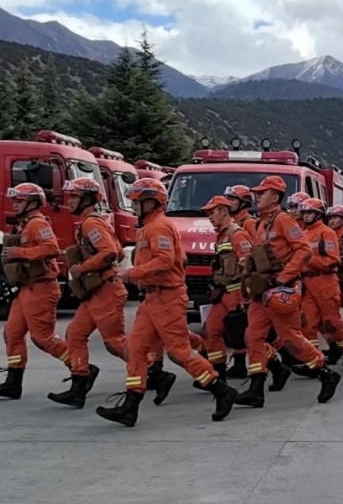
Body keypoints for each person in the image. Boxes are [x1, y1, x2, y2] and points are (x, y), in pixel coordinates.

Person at [95, 178, 237, 427]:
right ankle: (130, 406)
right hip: (153, 297)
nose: (133, 206)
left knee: (179, 351)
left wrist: (132, 274)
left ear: (150, 203)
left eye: (136, 202)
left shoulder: (158, 226)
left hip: (167, 297)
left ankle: (221, 390)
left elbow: (165, 260)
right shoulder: (150, 227)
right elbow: (177, 259)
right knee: (136, 349)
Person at [234, 175, 341, 408]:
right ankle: (256, 388)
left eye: (262, 193)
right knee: (253, 336)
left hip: (281, 289)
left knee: (290, 337)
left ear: (275, 197)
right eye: (257, 192)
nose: (257, 196)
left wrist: (283, 277)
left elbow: (303, 250)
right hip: (262, 290)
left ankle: (325, 373)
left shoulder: (283, 220)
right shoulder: (261, 222)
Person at [0, 183, 71, 399]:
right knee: (12, 333)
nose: (14, 205)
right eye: (15, 201)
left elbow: (51, 248)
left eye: (19, 201)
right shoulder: (25, 224)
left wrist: (19, 253)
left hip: (41, 287)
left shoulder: (38, 223)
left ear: (32, 203)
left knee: (42, 338)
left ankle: (80, 368)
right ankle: (13, 382)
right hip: (26, 288)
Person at [48, 178, 127, 408]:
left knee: (114, 342)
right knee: (75, 334)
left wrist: (82, 268)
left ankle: (153, 371)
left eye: (74, 197)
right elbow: (119, 252)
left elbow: (110, 253)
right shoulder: (93, 222)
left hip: (106, 290)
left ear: (87, 199)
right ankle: (78, 386)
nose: (70, 201)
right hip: (97, 291)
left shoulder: (91, 223)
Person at [297, 198, 343, 375]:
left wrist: (309, 260)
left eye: (309, 213)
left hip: (325, 281)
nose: (306, 216)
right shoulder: (303, 233)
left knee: (331, 322)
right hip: (307, 283)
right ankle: (314, 362)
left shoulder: (326, 233)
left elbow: (333, 260)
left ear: (318, 215)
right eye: (304, 213)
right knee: (307, 323)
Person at [198, 195, 259, 381]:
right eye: (208, 214)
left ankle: (275, 366)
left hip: (236, 294)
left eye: (212, 212)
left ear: (224, 212)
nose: (209, 217)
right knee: (211, 330)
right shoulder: (221, 235)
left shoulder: (237, 234)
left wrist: (245, 296)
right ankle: (219, 373)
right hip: (223, 293)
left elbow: (249, 264)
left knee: (242, 333)